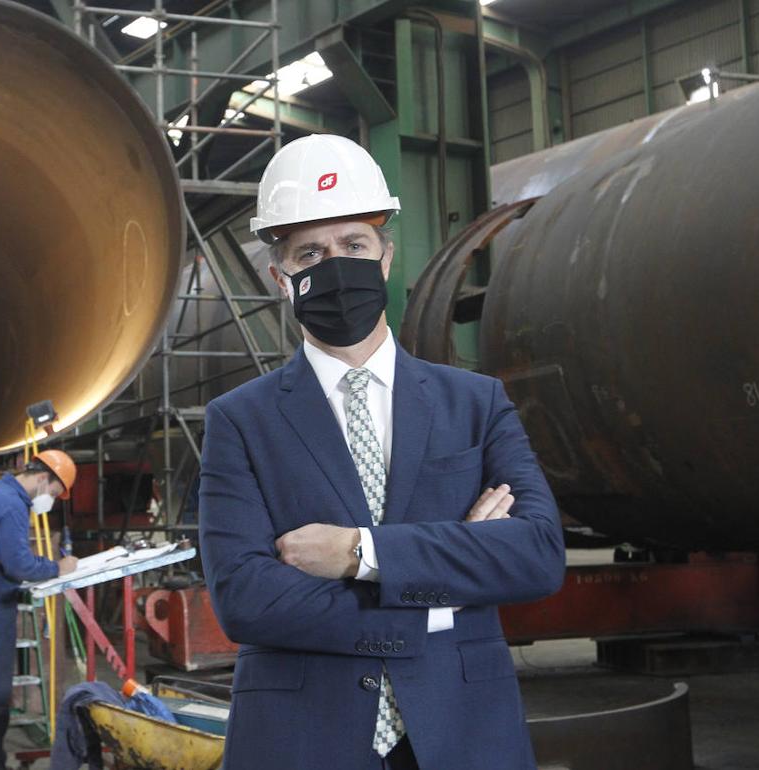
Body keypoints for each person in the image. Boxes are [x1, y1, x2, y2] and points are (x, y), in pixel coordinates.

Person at [198, 134, 565, 770]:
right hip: (304, 739)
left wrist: (360, 553)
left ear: (386, 258)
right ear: (281, 279)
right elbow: (246, 598)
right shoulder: (239, 420)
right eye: (310, 252)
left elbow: (536, 554)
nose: (336, 264)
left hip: (463, 734)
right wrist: (442, 594)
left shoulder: (475, 403)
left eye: (354, 245)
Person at [0, 450, 80, 770]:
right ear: (42, 478)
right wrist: (58, 567)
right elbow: (18, 563)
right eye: (54, 493)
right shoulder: (11, 505)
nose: (51, 500)